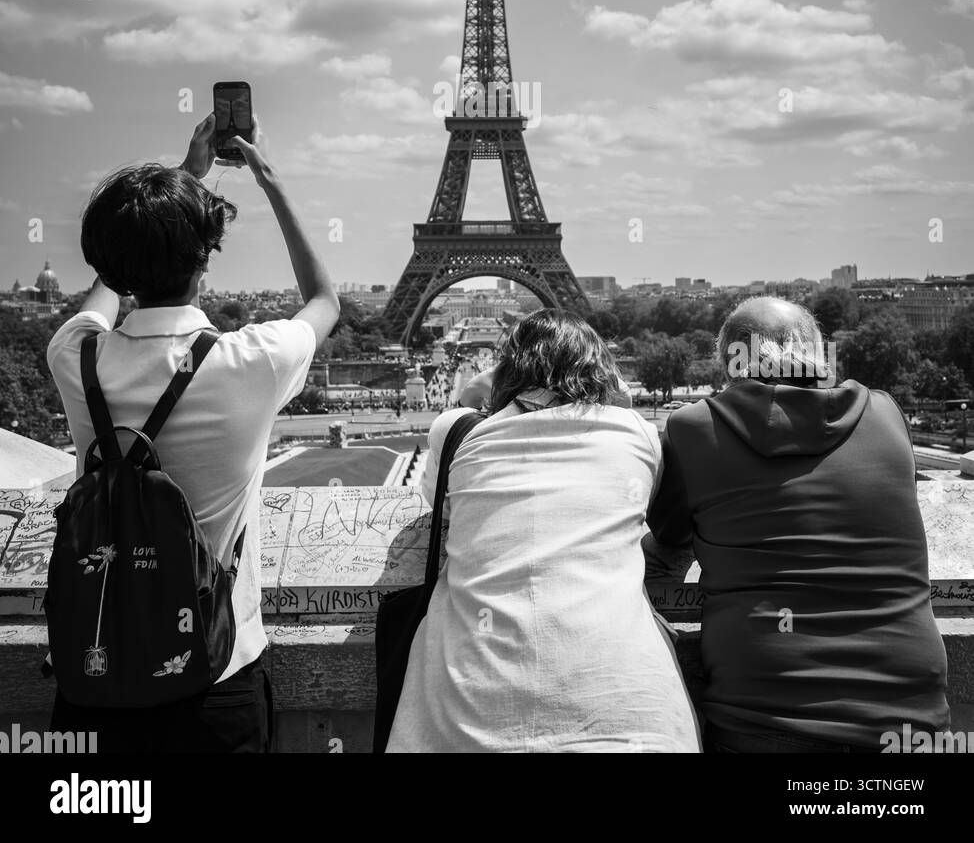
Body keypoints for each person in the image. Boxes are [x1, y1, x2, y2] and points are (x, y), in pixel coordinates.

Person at [46, 114, 340, 752]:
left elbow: (104, 295)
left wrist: (183, 179)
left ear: (108, 263)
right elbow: (324, 300)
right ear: (205, 259)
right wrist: (269, 179)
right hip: (214, 670)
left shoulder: (77, 357)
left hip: (95, 668)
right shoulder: (250, 361)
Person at [386, 310, 701, 753]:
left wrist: (489, 382)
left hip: (468, 716)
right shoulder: (639, 435)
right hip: (633, 713)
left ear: (508, 369)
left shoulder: (457, 433)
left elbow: (444, 498)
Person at [648, 296, 950, 753]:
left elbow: (671, 537)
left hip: (764, 716)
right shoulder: (886, 414)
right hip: (911, 722)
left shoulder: (691, 429)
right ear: (817, 355)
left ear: (731, 365)